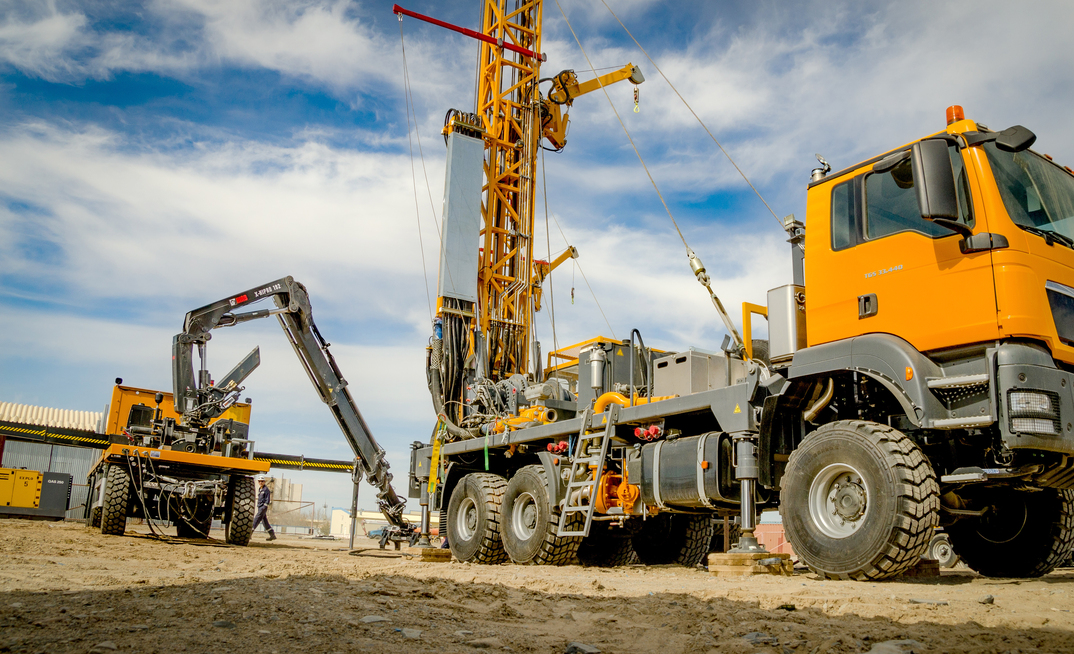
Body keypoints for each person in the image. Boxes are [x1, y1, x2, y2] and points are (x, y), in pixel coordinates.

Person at [254, 476, 276, 541]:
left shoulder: (266, 490)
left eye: (262, 481)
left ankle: (249, 533)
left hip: (262, 508)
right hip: (259, 506)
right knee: (264, 522)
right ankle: (272, 535)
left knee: (256, 519)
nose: (260, 482)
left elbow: (267, 500)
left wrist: (264, 506)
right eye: (259, 481)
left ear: (264, 482)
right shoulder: (260, 489)